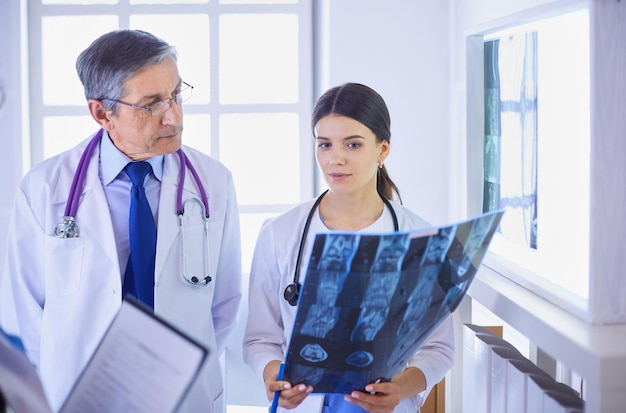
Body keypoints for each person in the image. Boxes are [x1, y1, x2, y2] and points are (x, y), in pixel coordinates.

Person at [0, 29, 241, 412]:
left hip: (185, 397)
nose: (174, 116)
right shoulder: (44, 190)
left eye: (176, 94)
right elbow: (24, 317)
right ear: (101, 113)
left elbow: (224, 305)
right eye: (151, 104)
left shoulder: (213, 182)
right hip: (77, 397)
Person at [243, 83, 454, 413]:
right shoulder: (280, 233)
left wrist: (399, 389)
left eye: (353, 144)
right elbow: (260, 340)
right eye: (324, 144)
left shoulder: (421, 238)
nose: (335, 158)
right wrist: (274, 377)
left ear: (382, 150)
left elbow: (439, 349)